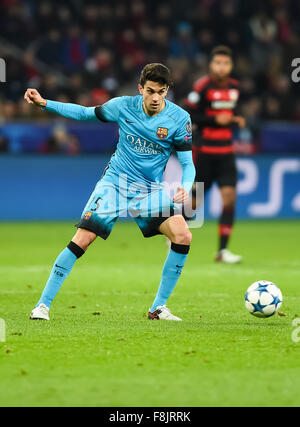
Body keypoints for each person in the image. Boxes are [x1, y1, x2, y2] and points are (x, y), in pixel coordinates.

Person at [24, 63, 195, 321]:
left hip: (149, 190)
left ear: (167, 90)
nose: (156, 97)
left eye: (161, 91)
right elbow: (84, 113)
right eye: (151, 91)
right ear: (140, 89)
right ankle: (42, 305)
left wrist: (186, 185)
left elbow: (187, 163)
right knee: (83, 239)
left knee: (183, 235)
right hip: (116, 182)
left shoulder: (179, 119)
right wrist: (45, 103)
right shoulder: (123, 106)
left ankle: (158, 308)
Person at [185, 45, 245, 264]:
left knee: (229, 198)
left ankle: (222, 251)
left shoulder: (235, 88)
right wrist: (213, 121)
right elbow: (188, 112)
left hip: (227, 152)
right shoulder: (202, 87)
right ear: (211, 65)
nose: (222, 67)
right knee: (195, 201)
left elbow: (230, 112)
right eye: (218, 63)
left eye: (226, 63)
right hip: (206, 152)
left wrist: (236, 118)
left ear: (231, 66)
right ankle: (175, 232)